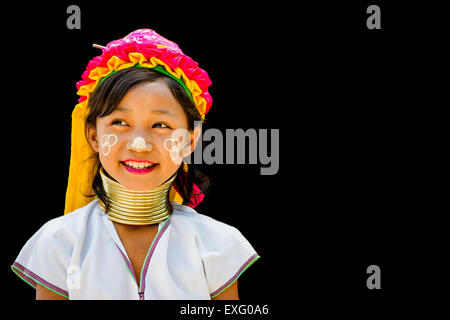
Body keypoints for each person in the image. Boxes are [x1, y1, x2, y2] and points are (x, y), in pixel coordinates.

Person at [11, 29, 260, 300]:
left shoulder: (216, 244)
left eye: (161, 125)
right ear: (93, 135)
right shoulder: (59, 242)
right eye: (119, 123)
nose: (139, 144)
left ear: (189, 141)